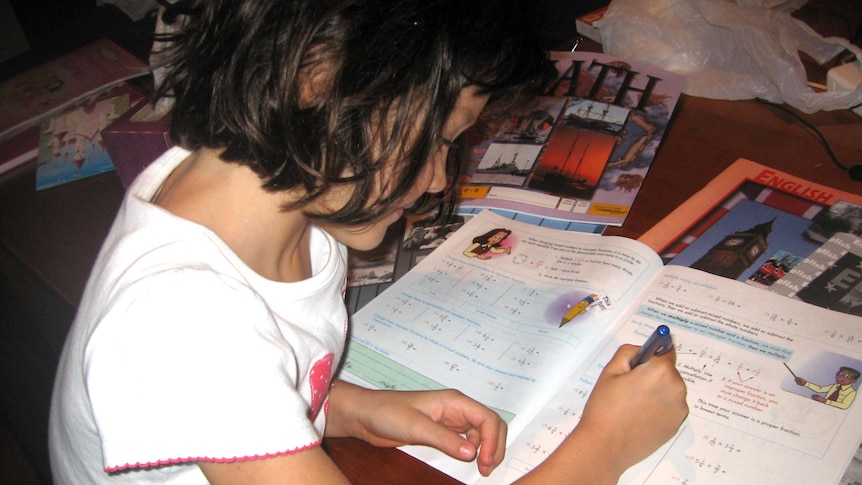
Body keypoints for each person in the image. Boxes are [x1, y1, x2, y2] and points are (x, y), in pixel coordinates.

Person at [48, 1, 688, 483]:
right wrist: (605, 445)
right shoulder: (181, 322)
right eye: (439, 136)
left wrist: (347, 408)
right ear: (318, 78)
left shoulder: (245, 192)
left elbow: (230, 392)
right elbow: (212, 365)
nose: (440, 178)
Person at [795, 366, 859, 410]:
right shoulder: (835, 386)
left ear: (853, 381)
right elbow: (820, 389)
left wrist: (825, 401)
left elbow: (844, 406)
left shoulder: (852, 392)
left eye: (846, 376)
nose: (841, 377)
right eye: (841, 374)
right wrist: (805, 383)